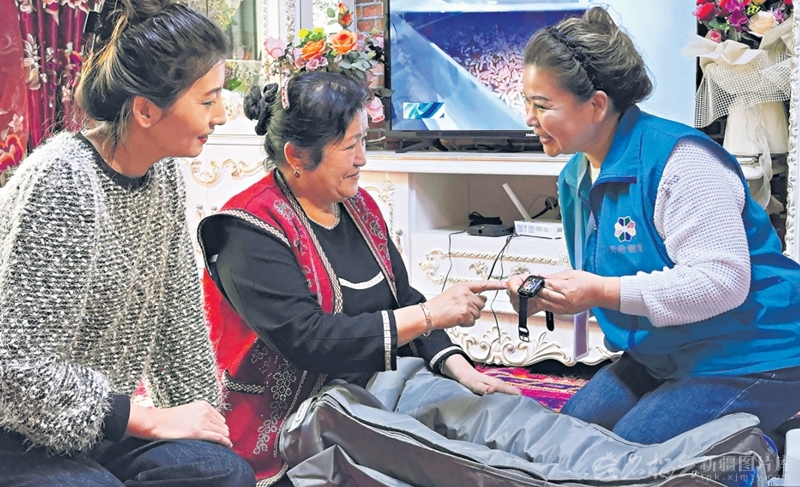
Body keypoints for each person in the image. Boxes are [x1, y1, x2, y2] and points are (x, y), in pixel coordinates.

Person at [199, 71, 518, 484]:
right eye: (351, 146)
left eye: (364, 141)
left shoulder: (357, 204)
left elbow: (401, 296)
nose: (363, 159)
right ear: (297, 156)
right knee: (461, 469)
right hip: (292, 422)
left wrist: (459, 367)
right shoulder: (247, 228)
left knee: (501, 422)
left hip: (373, 390)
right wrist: (431, 315)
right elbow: (309, 339)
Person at [508, 6, 800, 446]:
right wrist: (554, 294)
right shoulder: (575, 177)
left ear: (597, 105)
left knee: (630, 457)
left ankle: (763, 447)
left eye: (542, 105)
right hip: (666, 350)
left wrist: (599, 291)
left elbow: (722, 281)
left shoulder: (682, 161)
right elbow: (613, 277)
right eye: (527, 102)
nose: (528, 117)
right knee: (563, 440)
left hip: (755, 350)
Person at [0, 1, 256, 485]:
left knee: (224, 472)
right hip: (15, 425)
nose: (221, 116)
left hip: (95, 423)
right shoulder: (63, 181)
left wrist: (205, 428)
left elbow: (179, 320)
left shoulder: (165, 178)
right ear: (145, 109)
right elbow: (16, 371)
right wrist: (149, 420)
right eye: (207, 101)